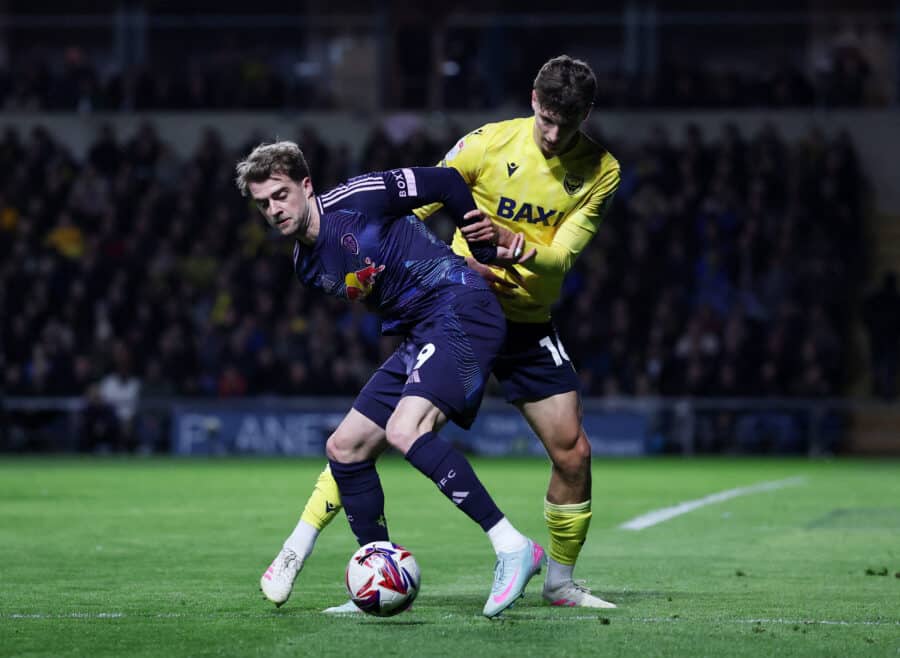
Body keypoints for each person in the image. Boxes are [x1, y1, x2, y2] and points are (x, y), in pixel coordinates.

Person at [262, 55, 620, 612]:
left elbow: (564, 258)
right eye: (546, 119)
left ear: (585, 116)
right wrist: (434, 263)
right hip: (452, 303)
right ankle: (346, 561)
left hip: (519, 318)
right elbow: (421, 201)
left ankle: (559, 581)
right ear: (533, 100)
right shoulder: (487, 143)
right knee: (357, 441)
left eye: (565, 124)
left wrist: (513, 246)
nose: (552, 134)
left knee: (573, 453)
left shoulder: (601, 170)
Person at [236, 141, 543, 618]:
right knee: (345, 449)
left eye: (280, 195)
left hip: (461, 307)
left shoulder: (358, 197)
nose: (274, 210)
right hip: (422, 332)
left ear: (305, 185)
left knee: (405, 430)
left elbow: (445, 183)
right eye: (263, 204)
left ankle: (512, 545)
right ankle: (379, 572)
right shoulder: (305, 266)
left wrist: (479, 244)